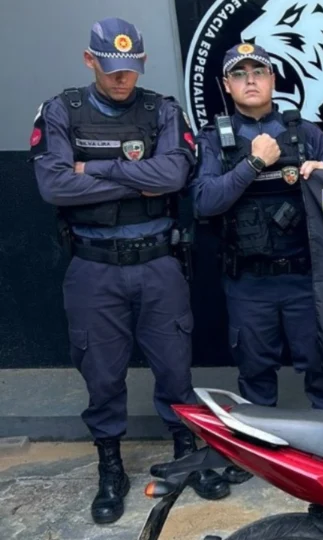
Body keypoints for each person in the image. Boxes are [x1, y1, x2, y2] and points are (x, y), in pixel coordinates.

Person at [28, 17, 228, 525]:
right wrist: (138, 179)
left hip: (158, 262)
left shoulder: (161, 109)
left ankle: (187, 455)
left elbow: (173, 173)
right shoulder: (61, 111)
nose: (122, 80)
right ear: (90, 59)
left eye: (131, 69)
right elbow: (54, 187)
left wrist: (91, 169)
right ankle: (110, 467)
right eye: (112, 69)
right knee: (101, 374)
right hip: (94, 269)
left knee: (174, 368)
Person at [193, 43, 323, 481]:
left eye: (258, 71)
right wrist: (252, 163)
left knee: (322, 370)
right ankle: (256, 454)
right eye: (239, 73)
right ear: (226, 85)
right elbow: (204, 202)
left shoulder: (306, 131)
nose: (249, 80)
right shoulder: (213, 139)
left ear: (272, 80)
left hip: (305, 276)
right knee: (255, 373)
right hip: (249, 282)